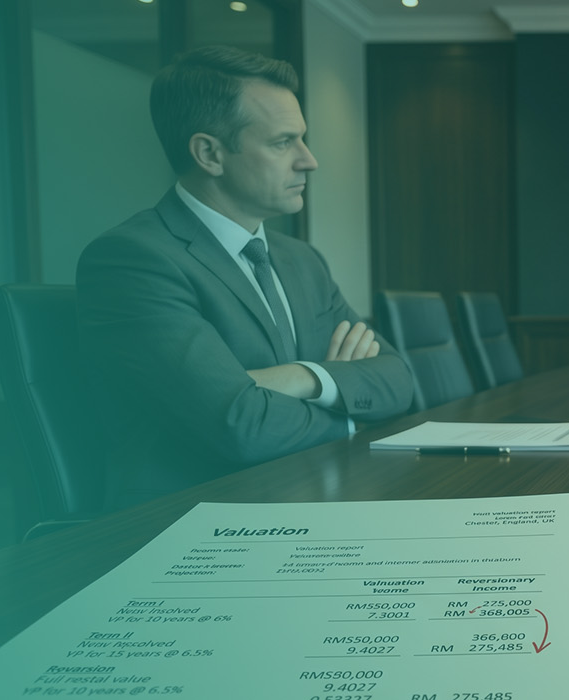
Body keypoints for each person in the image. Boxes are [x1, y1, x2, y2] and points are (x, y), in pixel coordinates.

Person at [77, 45, 414, 509]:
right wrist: (354, 411)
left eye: (303, 139)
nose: (309, 160)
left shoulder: (302, 260)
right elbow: (240, 426)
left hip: (310, 497)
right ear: (210, 154)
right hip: (192, 523)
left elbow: (400, 380)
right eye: (282, 142)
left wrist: (304, 378)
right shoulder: (134, 261)